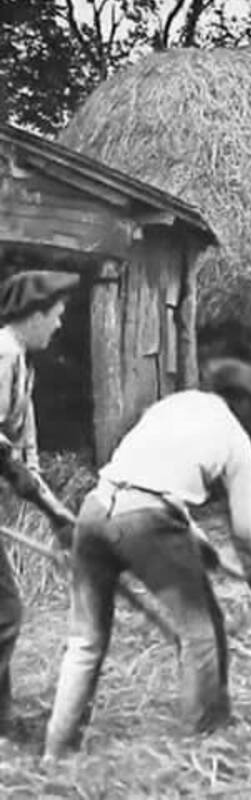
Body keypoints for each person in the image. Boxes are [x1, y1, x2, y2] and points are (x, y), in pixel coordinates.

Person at [42, 358, 251, 758]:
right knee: (202, 633)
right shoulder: (233, 436)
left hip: (95, 509)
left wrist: (201, 547)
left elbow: (153, 482)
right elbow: (249, 529)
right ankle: (199, 747)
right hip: (145, 524)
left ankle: (57, 751)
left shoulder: (173, 407)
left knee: (85, 641)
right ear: (243, 403)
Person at [0, 270, 80, 740]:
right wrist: (55, 514)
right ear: (32, 315)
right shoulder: (2, 354)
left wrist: (58, 515)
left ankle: (3, 718)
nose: (58, 326)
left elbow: (26, 453)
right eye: (55, 317)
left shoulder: (21, 361)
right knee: (6, 611)